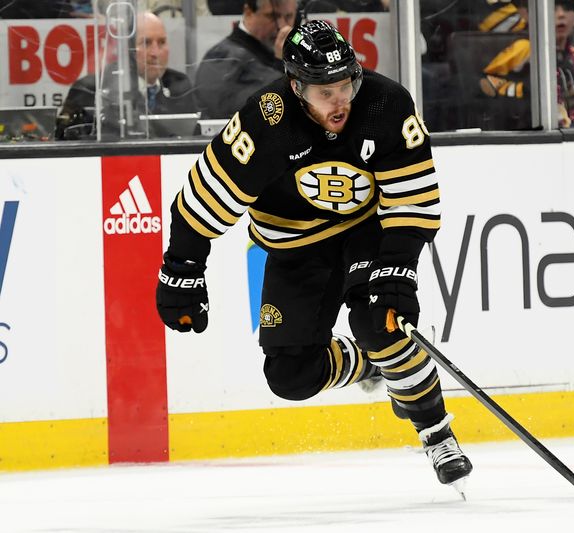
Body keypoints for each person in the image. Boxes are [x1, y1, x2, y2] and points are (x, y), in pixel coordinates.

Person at [155, 20, 473, 492]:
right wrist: (181, 268)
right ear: (296, 86)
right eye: (325, 92)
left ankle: (435, 430)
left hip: (364, 233)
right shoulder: (267, 119)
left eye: (345, 84)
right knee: (290, 375)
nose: (339, 100)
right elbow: (207, 196)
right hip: (294, 249)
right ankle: (371, 363)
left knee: (378, 320)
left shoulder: (386, 104)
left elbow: (412, 199)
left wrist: (398, 269)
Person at [56, 11, 195, 139]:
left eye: (162, 43)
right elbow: (65, 145)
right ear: (128, 49)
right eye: (146, 43)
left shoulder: (179, 84)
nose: (155, 53)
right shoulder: (92, 89)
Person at [478, 0, 574, 128]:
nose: (561, 14)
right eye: (553, 9)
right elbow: (485, 83)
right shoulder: (524, 49)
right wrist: (523, 90)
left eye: (567, 9)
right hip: (531, 133)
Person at [194, 0, 297, 119]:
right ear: (248, 12)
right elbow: (224, 111)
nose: (282, 26)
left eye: (289, 16)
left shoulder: (272, 51)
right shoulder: (222, 56)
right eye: (272, 16)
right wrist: (281, 65)